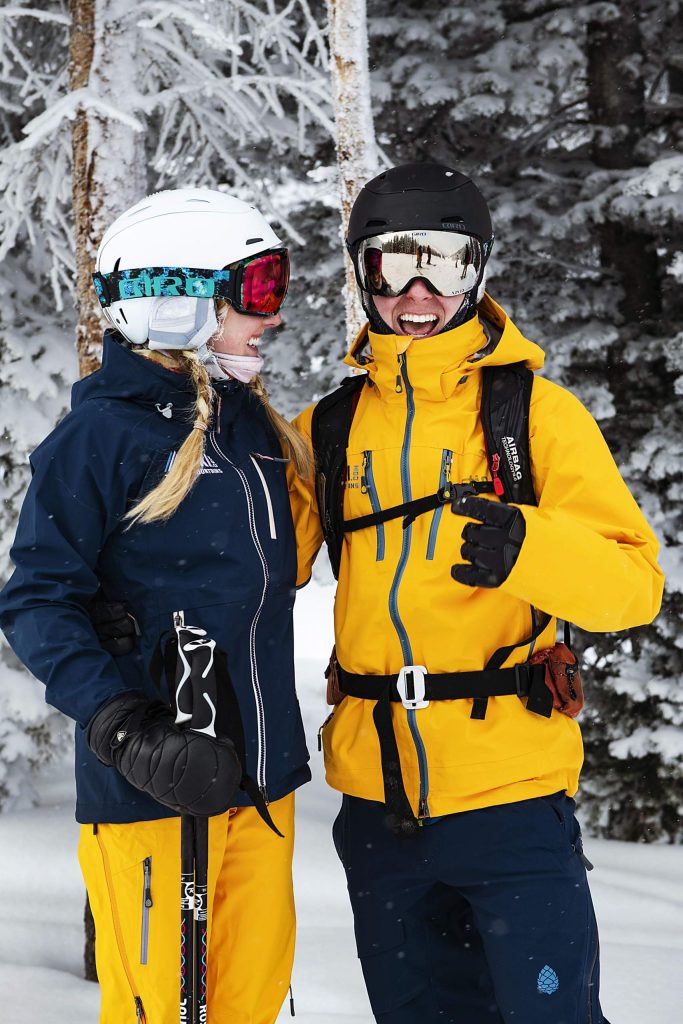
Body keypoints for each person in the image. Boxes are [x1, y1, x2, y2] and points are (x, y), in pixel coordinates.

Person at [288, 162, 664, 1023]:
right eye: (391, 265)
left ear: (477, 272)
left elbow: (632, 586)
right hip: (379, 811)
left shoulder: (533, 415)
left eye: (445, 265)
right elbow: (260, 560)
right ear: (360, 272)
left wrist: (526, 547)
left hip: (510, 804)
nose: (417, 292)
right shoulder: (333, 427)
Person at [0, 188, 312, 1024]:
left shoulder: (244, 430)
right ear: (177, 302)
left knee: (248, 1007)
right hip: (155, 791)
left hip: (259, 786)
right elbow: (35, 599)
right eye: (253, 292)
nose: (269, 317)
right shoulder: (102, 437)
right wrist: (128, 731)